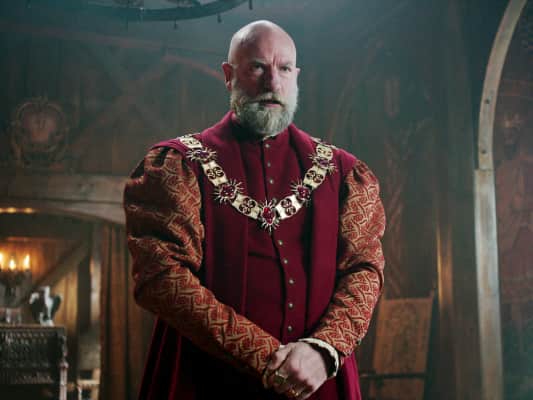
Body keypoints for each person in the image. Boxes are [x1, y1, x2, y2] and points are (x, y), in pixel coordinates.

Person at [124, 20, 385, 400]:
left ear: (296, 77)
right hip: (204, 381)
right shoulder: (179, 165)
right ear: (228, 75)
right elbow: (162, 278)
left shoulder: (344, 173)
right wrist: (265, 357)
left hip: (319, 381)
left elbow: (364, 269)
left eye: (284, 69)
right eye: (257, 67)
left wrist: (322, 350)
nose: (272, 83)